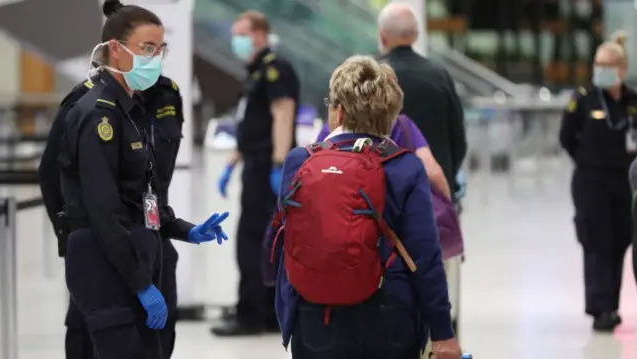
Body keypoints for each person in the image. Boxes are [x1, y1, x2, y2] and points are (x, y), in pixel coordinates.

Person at [55, 2, 229, 358]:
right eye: (147, 48)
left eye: (160, 49)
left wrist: (185, 230)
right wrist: (142, 284)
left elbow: (139, 195)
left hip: (134, 256)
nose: (156, 57)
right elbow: (105, 211)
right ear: (116, 50)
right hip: (108, 265)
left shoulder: (128, 111)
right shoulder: (97, 115)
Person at [270, 55, 461, 359]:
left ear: (340, 111)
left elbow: (281, 240)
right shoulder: (404, 167)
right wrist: (443, 334)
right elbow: (425, 258)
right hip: (388, 316)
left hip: (313, 315)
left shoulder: (300, 160)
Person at [211, 10, 299, 337]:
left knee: (255, 240)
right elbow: (251, 124)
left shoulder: (276, 68)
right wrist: (232, 163)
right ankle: (263, 312)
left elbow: (283, 115)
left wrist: (279, 165)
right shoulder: (256, 71)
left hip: (266, 167)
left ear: (259, 34)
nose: (237, 40)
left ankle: (251, 314)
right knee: (261, 239)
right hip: (255, 163)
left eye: (241, 33)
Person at [559, 30, 637, 332]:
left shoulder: (632, 101)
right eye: (597, 64)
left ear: (621, 69)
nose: (600, 71)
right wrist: (586, 161)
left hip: (626, 184)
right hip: (591, 182)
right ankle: (598, 307)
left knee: (620, 242)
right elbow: (567, 137)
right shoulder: (583, 98)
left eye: (606, 65)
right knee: (596, 242)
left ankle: (611, 304)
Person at [377, 3, 467, 199]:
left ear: (383, 36)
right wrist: (448, 179)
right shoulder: (440, 75)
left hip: (383, 194)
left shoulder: (371, 76)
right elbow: (458, 138)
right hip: (434, 192)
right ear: (415, 36)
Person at [316, 114, 451, 199]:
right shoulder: (402, 126)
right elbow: (433, 172)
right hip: (391, 231)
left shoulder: (332, 128)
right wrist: (449, 211)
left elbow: (313, 172)